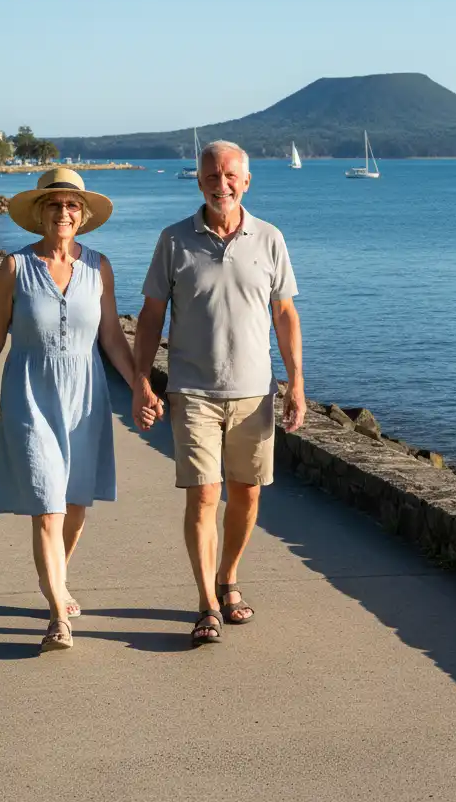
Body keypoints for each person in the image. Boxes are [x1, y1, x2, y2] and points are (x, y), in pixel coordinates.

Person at [0, 168, 157, 653]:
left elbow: (111, 336)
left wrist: (140, 386)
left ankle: (57, 581)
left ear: (83, 215)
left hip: (86, 398)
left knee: (73, 505)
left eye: (72, 205)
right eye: (55, 205)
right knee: (47, 506)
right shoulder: (14, 268)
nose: (64, 213)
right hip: (30, 394)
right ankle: (57, 617)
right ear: (39, 214)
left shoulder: (99, 267)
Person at [132, 140, 305, 646]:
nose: (221, 183)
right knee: (205, 495)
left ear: (246, 182)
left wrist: (296, 381)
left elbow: (285, 315)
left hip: (255, 394)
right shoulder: (173, 240)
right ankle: (207, 602)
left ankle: (228, 577)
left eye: (230, 175)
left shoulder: (270, 239)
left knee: (246, 496)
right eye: (211, 175)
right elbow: (150, 316)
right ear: (199, 180)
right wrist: (143, 379)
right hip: (193, 393)